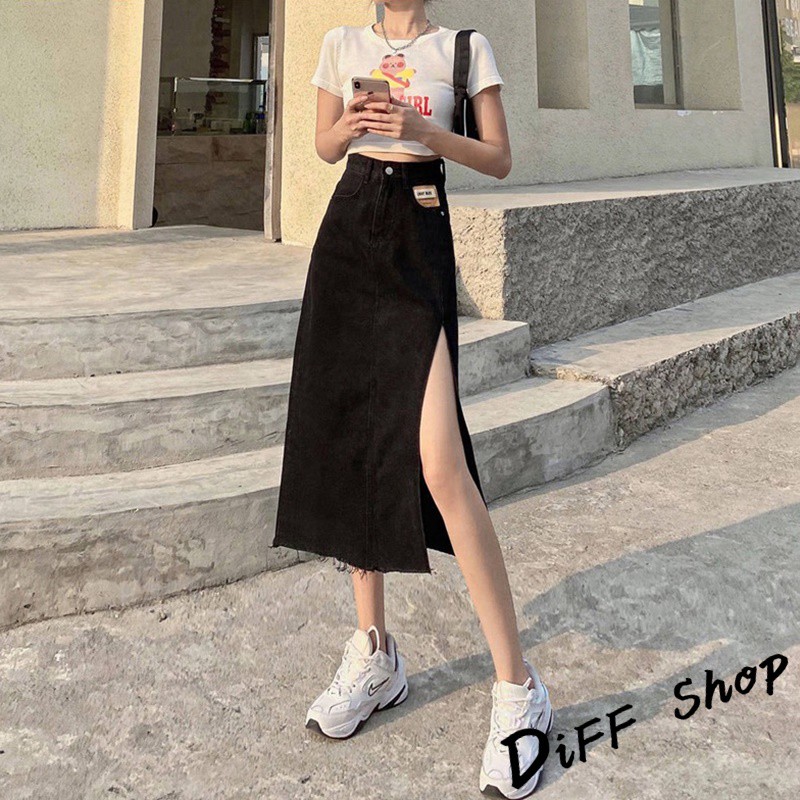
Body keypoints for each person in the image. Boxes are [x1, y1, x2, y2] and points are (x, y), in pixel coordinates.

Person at [270, 1, 553, 796]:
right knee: (357, 440)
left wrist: (423, 129)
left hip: (419, 228)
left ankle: (519, 688)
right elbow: (324, 147)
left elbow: (499, 158)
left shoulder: (464, 49)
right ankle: (375, 653)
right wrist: (353, 123)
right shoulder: (340, 44)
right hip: (348, 229)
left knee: (438, 461)